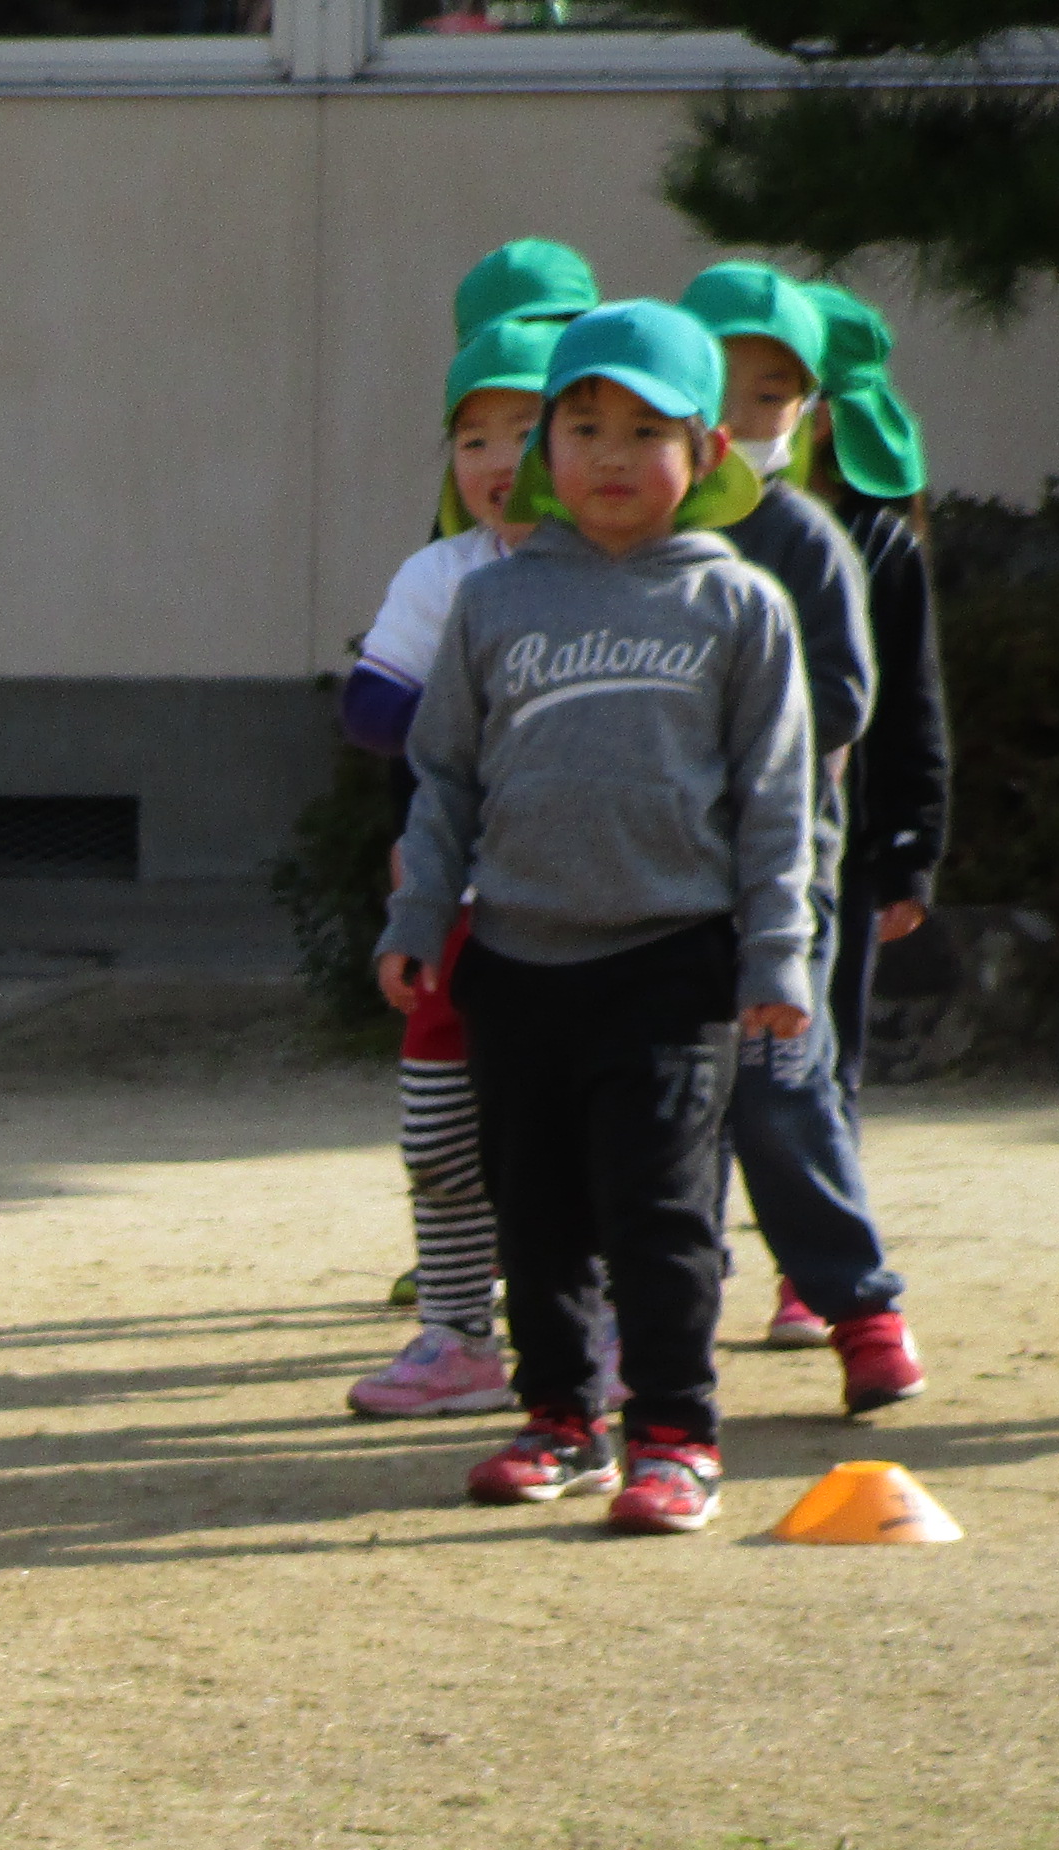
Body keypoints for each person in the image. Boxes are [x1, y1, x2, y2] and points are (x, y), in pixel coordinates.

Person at [381, 301, 817, 1539]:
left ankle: (674, 1436)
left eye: (645, 431)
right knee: (536, 1215)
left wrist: (774, 952)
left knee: (659, 1214)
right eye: (582, 428)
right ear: (542, 453)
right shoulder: (493, 603)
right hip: (515, 957)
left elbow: (776, 799)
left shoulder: (739, 606)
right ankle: (560, 1421)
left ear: (708, 452)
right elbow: (443, 777)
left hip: (671, 963)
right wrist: (417, 914)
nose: (611, 456)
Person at [680, 260, 921, 1413]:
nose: (739, 417)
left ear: (810, 414)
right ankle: (652, 1329)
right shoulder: (619, 535)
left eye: (770, 395)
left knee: (780, 1094)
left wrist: (700, 747)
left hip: (777, 880)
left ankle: (861, 1309)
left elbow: (842, 698)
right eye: (716, 389)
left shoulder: (805, 537)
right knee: (655, 1111)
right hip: (643, 885)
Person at [333, 296, 569, 1422]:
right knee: (438, 1127)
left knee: (569, 1130)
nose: (497, 460)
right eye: (472, 439)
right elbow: (372, 709)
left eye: (526, 431)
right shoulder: (442, 576)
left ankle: (596, 1328)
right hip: (459, 898)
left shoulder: (624, 577)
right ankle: (457, 1333)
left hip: (584, 907)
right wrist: (478, 703)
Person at [804, 286, 950, 1122]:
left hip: (841, 845)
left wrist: (909, 851)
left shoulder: (878, 546)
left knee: (824, 1064)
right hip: (714, 843)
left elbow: (909, 709)